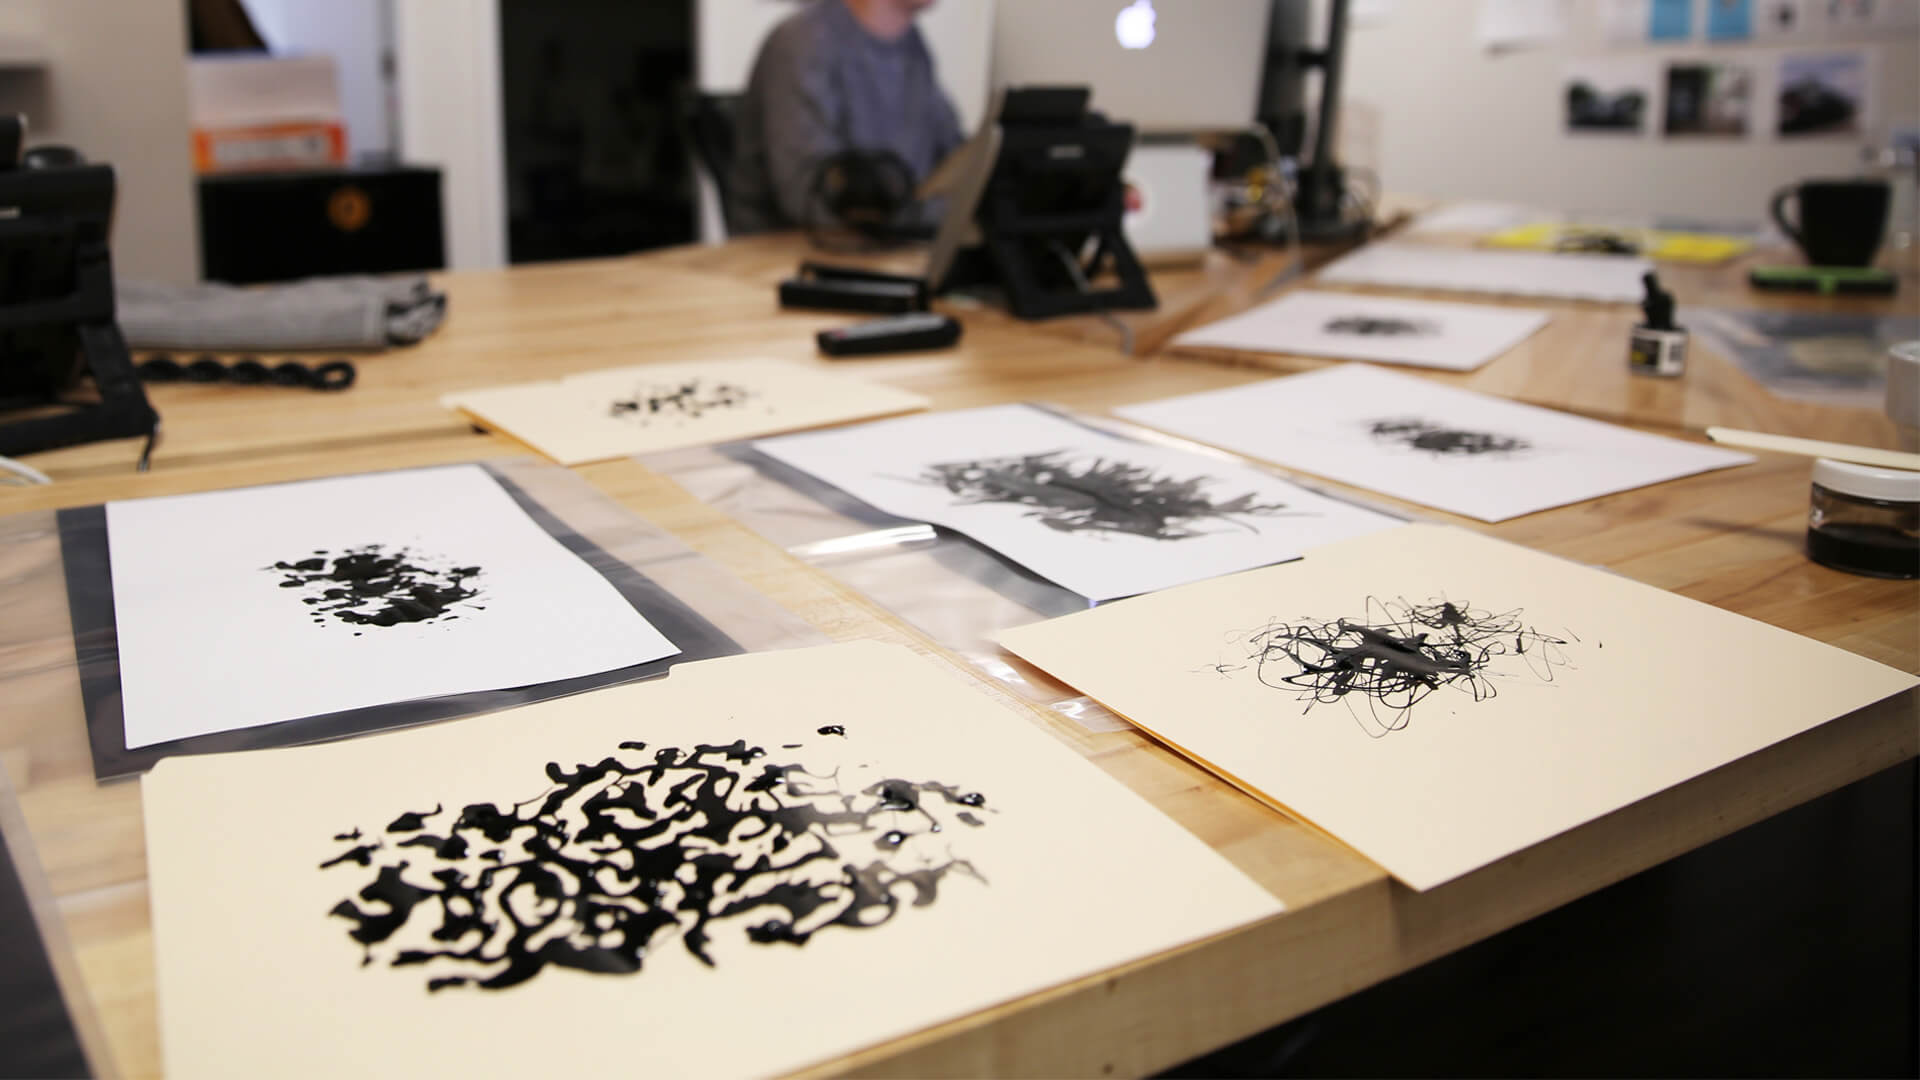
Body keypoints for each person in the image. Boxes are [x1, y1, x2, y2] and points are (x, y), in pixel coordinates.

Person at [728, 0, 964, 234]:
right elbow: (810, 196)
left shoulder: (914, 48)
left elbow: (957, 161)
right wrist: (944, 210)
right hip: (794, 253)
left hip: (888, 248)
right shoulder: (804, 42)